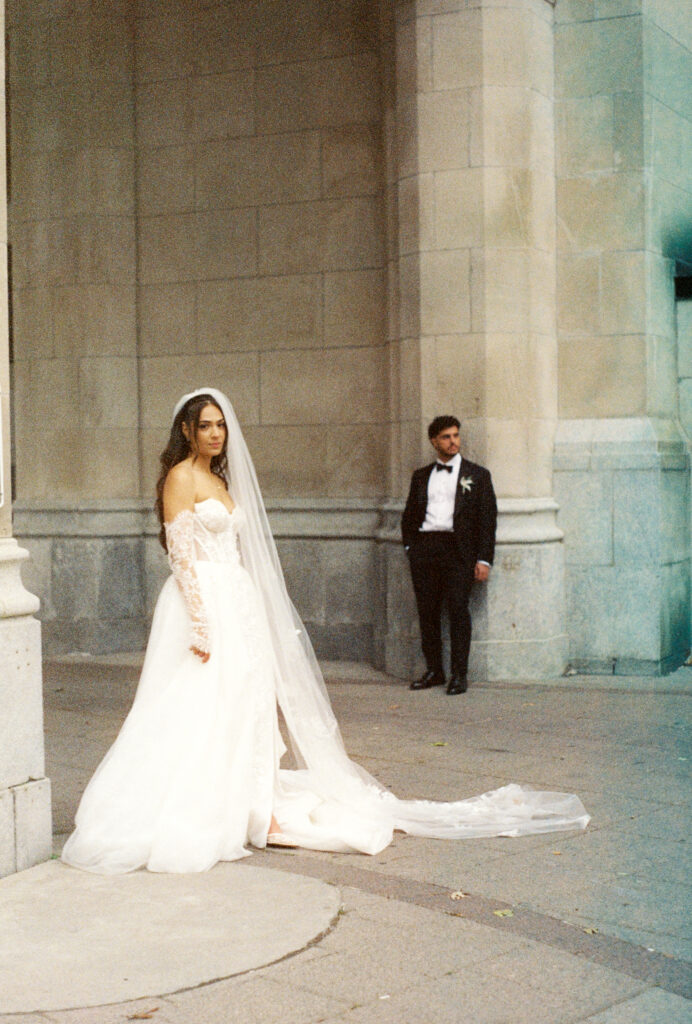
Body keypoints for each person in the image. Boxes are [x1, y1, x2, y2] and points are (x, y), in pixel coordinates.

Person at [61, 388, 588, 875]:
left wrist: (246, 607)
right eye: (205, 426)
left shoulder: (221, 479)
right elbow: (182, 556)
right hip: (200, 605)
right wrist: (201, 623)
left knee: (247, 700)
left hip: (235, 600)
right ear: (187, 431)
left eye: (220, 425)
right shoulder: (182, 477)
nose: (216, 434)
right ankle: (201, 802)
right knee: (196, 701)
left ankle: (252, 801)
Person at [402, 416, 497, 695]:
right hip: (426, 550)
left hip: (459, 552)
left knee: (458, 610)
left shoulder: (478, 475)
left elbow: (487, 520)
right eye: (446, 437)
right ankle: (434, 671)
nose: (453, 441)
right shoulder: (420, 476)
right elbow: (409, 516)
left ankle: (459, 674)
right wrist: (411, 548)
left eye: (456, 435)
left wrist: (483, 559)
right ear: (434, 441)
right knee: (427, 613)